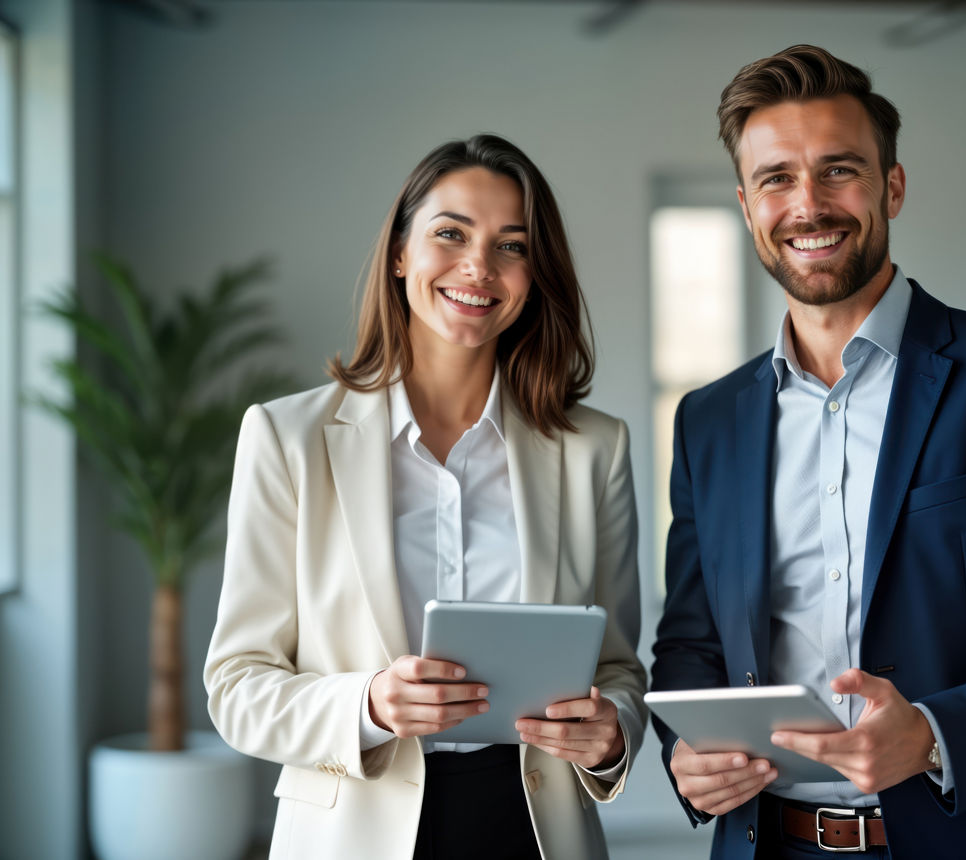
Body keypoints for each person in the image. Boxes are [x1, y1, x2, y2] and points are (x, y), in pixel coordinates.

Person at [650, 45, 966, 860]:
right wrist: (683, 751)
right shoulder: (708, 421)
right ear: (748, 206)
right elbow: (689, 644)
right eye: (778, 179)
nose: (809, 205)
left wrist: (933, 736)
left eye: (839, 170)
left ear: (892, 185)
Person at [205, 134, 647, 860]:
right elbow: (236, 687)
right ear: (401, 253)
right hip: (352, 829)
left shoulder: (595, 448)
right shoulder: (287, 437)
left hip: (535, 828)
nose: (479, 267)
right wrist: (368, 704)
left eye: (512, 246)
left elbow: (618, 670)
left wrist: (610, 735)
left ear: (535, 275)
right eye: (451, 234)